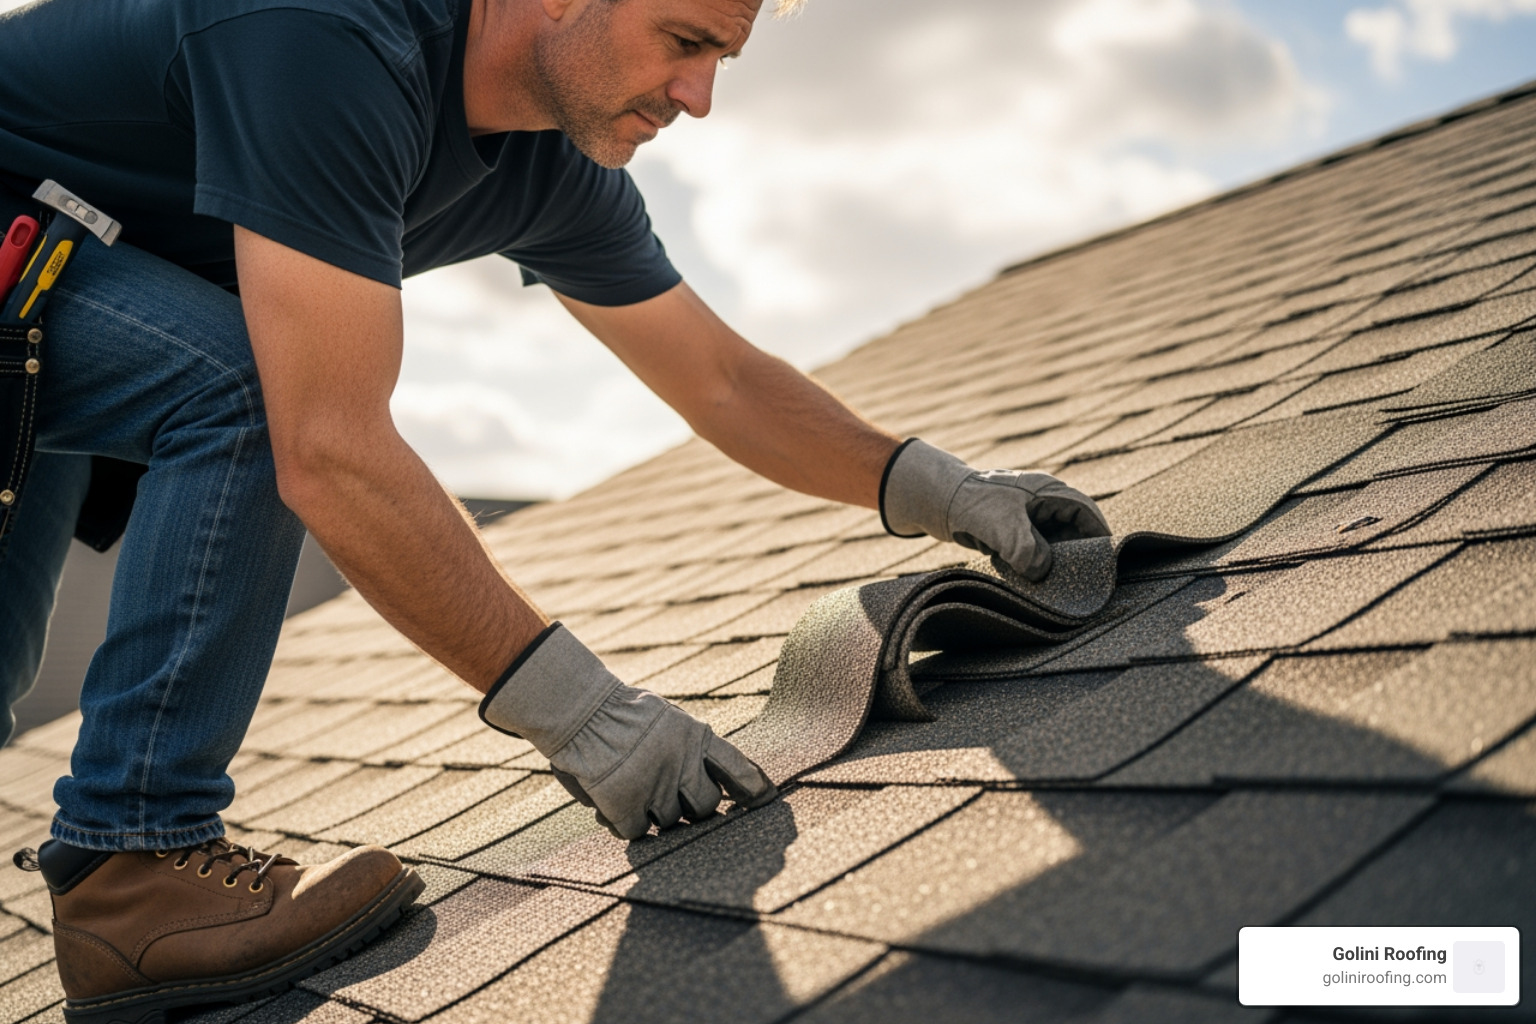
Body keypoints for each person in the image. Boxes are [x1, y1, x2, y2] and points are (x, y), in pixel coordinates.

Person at [0, 0, 1111, 1018]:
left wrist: (944, 489)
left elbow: (719, 379)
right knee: (240, 388)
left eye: (720, 60)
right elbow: (328, 448)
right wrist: (582, 713)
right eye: (684, 42)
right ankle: (132, 859)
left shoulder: (549, 173)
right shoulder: (326, 31)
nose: (700, 99)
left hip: (48, 295)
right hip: (28, 246)